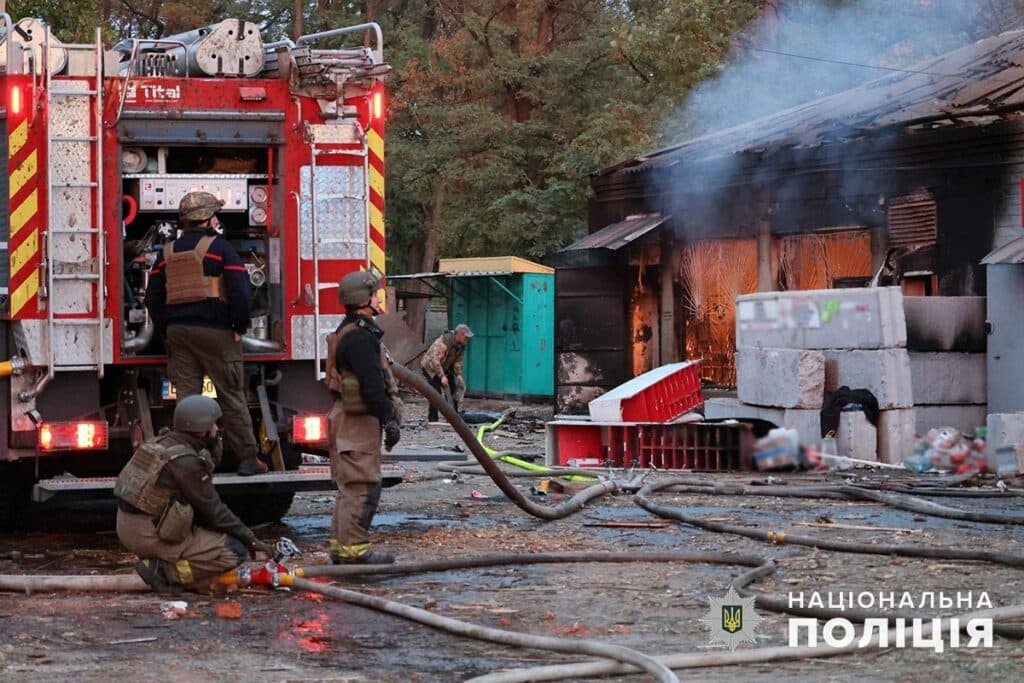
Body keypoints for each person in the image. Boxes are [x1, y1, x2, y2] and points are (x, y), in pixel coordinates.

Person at [145, 191, 268, 476]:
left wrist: (168, 328)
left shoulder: (165, 254)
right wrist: (239, 327)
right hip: (217, 333)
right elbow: (240, 291)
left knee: (187, 402)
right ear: (209, 219)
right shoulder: (221, 249)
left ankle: (188, 463)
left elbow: (152, 298)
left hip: (178, 333)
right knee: (231, 396)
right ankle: (249, 459)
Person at [114, 395, 274, 593]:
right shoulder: (186, 463)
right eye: (214, 425)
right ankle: (164, 573)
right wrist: (250, 539)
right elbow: (214, 511)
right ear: (202, 429)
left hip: (128, 525)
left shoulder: (161, 443)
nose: (217, 430)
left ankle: (165, 563)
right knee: (234, 550)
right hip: (147, 534)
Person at [324, 270, 402, 564]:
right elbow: (371, 385)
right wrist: (389, 418)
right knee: (362, 485)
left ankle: (342, 550)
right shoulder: (360, 338)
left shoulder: (351, 331)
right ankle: (355, 553)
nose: (378, 299)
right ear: (365, 299)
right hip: (357, 423)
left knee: (350, 487)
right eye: (375, 294)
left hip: (348, 419)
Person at [420, 323, 473, 423]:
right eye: (466, 336)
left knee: (453, 390)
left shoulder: (461, 345)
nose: (467, 339)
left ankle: (453, 417)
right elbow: (435, 360)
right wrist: (442, 376)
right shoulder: (444, 342)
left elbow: (458, 360)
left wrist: (459, 374)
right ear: (460, 334)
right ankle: (433, 419)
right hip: (430, 368)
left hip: (444, 366)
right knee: (435, 393)